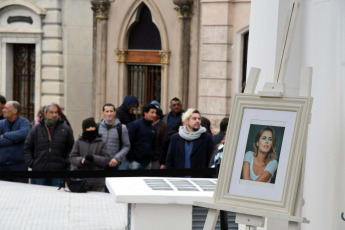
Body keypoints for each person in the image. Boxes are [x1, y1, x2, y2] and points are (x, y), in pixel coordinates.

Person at [24, 104, 75, 187]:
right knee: (38, 196)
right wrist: (32, 163)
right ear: (45, 114)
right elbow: (27, 147)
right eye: (51, 112)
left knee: (56, 198)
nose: (54, 115)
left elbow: (72, 148)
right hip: (39, 171)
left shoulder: (65, 129)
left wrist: (66, 163)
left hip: (58, 171)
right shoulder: (36, 129)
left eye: (56, 112)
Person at [69, 117, 111, 192]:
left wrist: (93, 158)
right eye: (88, 127)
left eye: (93, 126)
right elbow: (72, 158)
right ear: (84, 129)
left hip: (97, 182)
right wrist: (81, 160)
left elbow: (107, 159)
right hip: (81, 181)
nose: (91, 129)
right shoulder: (79, 142)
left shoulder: (102, 142)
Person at [0, 101, 30, 183]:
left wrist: (4, 135)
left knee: (21, 193)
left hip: (19, 166)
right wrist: (15, 140)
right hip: (2, 166)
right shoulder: (1, 123)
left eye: (6, 108)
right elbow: (19, 137)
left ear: (15, 111)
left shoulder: (24, 122)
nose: (3, 110)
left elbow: (24, 134)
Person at [98, 103, 130, 169]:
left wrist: (116, 158)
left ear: (115, 113)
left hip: (114, 164)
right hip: (99, 164)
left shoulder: (122, 127)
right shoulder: (97, 127)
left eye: (111, 111)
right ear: (103, 113)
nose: (109, 114)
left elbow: (126, 146)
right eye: (107, 111)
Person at [126, 104, 157, 170]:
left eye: (155, 113)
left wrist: (150, 157)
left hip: (147, 163)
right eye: (152, 112)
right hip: (135, 162)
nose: (154, 115)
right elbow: (128, 141)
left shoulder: (153, 128)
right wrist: (131, 158)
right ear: (145, 113)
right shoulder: (135, 125)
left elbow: (154, 145)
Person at [150, 101, 168, 169]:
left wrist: (163, 162)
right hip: (144, 160)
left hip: (157, 160)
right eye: (151, 112)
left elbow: (164, 145)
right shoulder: (144, 124)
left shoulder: (163, 127)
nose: (153, 115)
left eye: (154, 112)